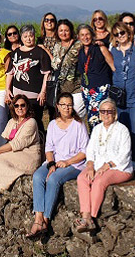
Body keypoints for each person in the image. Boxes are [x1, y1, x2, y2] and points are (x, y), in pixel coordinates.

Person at [27, 93, 89, 238]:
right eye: (64, 105)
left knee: (54, 180)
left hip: (74, 164)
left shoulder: (79, 125)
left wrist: (67, 162)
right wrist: (51, 164)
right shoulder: (53, 124)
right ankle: (38, 218)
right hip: (55, 161)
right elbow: (49, 148)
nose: (67, 108)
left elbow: (85, 152)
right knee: (38, 176)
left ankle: (46, 220)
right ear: (58, 107)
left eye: (69, 105)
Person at [74, 98, 132, 233]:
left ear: (115, 113)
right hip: (97, 166)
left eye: (109, 111)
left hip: (119, 167)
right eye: (103, 111)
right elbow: (90, 151)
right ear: (99, 114)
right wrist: (89, 166)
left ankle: (91, 216)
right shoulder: (97, 129)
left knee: (99, 181)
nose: (106, 114)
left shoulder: (122, 130)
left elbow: (125, 153)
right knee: (82, 178)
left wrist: (108, 165)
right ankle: (86, 216)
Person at [109, 21, 135, 172]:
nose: (120, 36)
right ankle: (124, 158)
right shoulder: (114, 51)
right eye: (116, 34)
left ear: (128, 32)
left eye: (122, 33)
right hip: (119, 96)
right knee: (122, 129)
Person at [6, 25, 52, 131]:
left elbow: (46, 74)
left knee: (35, 121)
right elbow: (10, 73)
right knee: (17, 120)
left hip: (34, 94)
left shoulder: (40, 52)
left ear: (34, 36)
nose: (28, 39)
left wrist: (43, 92)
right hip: (17, 93)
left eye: (31, 36)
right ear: (21, 38)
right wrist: (7, 89)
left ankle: (39, 143)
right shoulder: (16, 53)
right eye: (25, 36)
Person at [77, 24, 114, 128]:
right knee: (91, 119)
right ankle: (94, 140)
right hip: (86, 89)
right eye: (82, 35)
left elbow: (113, 66)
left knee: (101, 118)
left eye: (87, 34)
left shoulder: (101, 48)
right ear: (79, 37)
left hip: (100, 88)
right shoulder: (80, 52)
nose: (85, 37)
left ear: (92, 35)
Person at [50, 19, 82, 117]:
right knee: (64, 117)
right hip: (61, 89)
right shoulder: (57, 46)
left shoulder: (78, 45)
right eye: (61, 30)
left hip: (77, 87)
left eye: (66, 30)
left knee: (74, 116)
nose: (63, 33)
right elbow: (55, 65)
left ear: (71, 31)